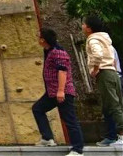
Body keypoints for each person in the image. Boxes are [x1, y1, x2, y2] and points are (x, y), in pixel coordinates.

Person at [31, 27, 84, 156]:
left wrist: (61, 91)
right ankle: (48, 138)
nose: (37, 38)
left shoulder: (58, 52)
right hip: (52, 92)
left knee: (70, 119)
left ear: (43, 39)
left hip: (62, 91)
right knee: (38, 109)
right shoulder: (48, 50)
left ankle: (78, 149)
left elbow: (62, 71)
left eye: (38, 36)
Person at [83, 16, 123, 147]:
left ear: (89, 28)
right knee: (117, 103)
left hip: (105, 73)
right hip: (113, 72)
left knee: (113, 105)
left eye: (84, 24)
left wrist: (95, 68)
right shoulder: (105, 39)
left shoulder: (93, 39)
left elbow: (98, 54)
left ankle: (122, 135)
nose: (82, 26)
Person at [99, 41, 123, 146]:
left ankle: (114, 135)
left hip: (112, 76)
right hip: (115, 76)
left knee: (112, 106)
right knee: (110, 107)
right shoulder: (108, 46)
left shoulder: (106, 47)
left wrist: (95, 70)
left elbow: (112, 62)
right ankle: (112, 135)